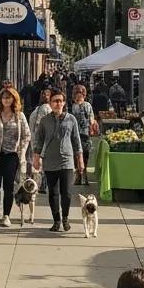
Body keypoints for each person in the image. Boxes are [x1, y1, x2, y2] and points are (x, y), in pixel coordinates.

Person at [33, 90, 84, 233]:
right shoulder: (45, 120)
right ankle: (56, 220)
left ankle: (66, 218)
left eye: (60, 101)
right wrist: (36, 158)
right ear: (50, 103)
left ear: (64, 103)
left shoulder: (71, 119)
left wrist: (80, 160)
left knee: (66, 192)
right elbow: (38, 140)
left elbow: (76, 140)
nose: (58, 104)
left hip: (67, 160)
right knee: (53, 193)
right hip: (50, 161)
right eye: (55, 101)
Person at [0, 86, 31, 227]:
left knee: (8, 187)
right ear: (0, 99)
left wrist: (21, 151)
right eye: (4, 97)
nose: (6, 100)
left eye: (9, 97)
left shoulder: (19, 116)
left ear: (14, 99)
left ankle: (6, 215)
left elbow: (27, 135)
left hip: (11, 155)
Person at [69, 85, 95, 186]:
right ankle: (80, 176)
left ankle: (83, 176)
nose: (79, 95)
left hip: (83, 134)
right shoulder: (73, 106)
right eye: (77, 93)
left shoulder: (85, 105)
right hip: (78, 134)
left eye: (80, 93)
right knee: (79, 155)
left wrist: (91, 125)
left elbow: (91, 119)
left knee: (83, 155)